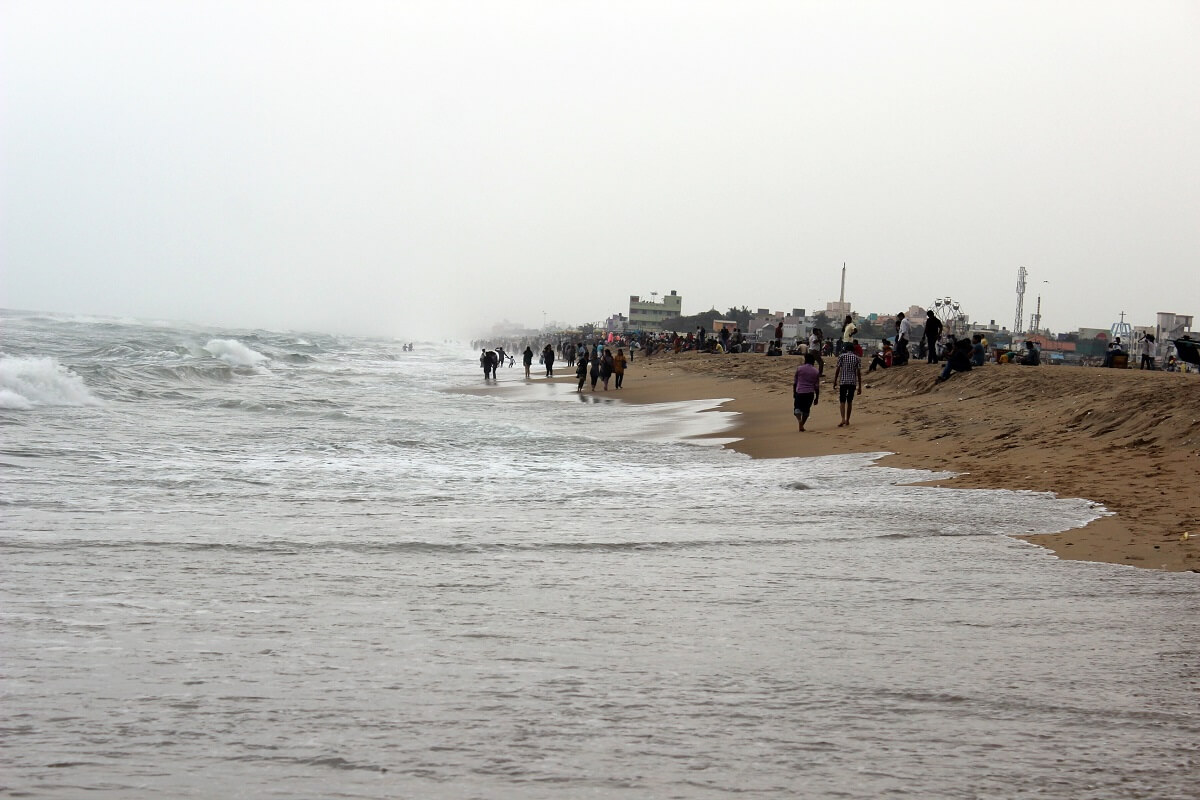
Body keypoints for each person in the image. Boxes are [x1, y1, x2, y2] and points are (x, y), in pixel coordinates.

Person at [834, 343, 861, 427]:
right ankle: (847, 420)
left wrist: (835, 380)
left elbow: (838, 369)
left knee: (842, 401)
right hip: (852, 382)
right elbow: (858, 373)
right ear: (853, 350)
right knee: (849, 401)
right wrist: (860, 386)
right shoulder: (857, 358)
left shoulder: (842, 356)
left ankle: (842, 419)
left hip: (843, 381)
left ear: (846, 349)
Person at [793, 352, 821, 432]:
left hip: (800, 391)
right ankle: (802, 425)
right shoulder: (815, 371)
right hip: (810, 393)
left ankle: (799, 421)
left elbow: (795, 382)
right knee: (806, 411)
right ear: (813, 361)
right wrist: (817, 398)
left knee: (797, 409)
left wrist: (794, 393)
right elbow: (817, 386)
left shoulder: (799, 369)